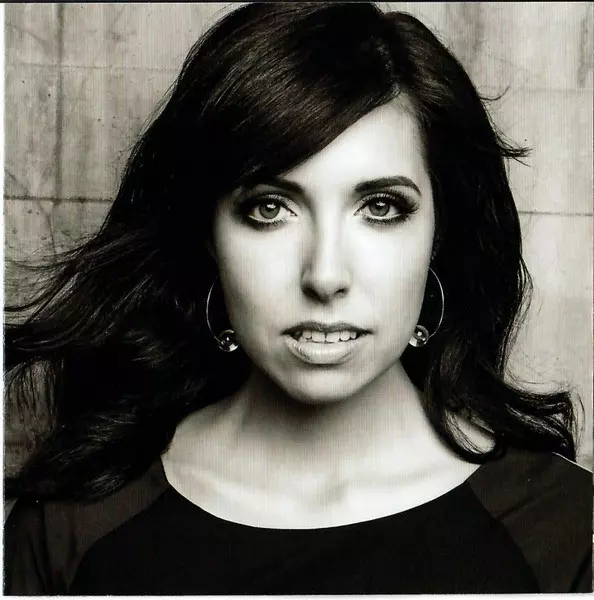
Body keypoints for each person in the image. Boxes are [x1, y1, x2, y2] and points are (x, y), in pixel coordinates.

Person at [4, 2, 591, 595]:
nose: (325, 275)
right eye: (270, 209)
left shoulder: (563, 535)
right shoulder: (72, 530)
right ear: (207, 235)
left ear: (439, 233)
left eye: (380, 207)